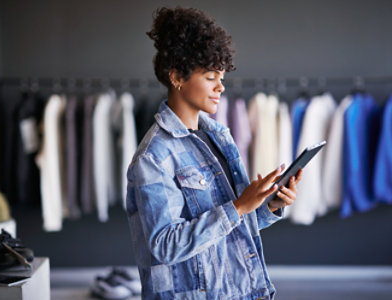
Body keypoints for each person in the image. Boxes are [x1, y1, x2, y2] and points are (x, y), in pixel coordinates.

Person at [126, 6, 303, 300]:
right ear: (176, 77)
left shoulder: (218, 136)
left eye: (221, 76)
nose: (221, 86)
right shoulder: (153, 157)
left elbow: (231, 227)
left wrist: (268, 205)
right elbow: (165, 245)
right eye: (210, 77)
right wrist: (239, 206)